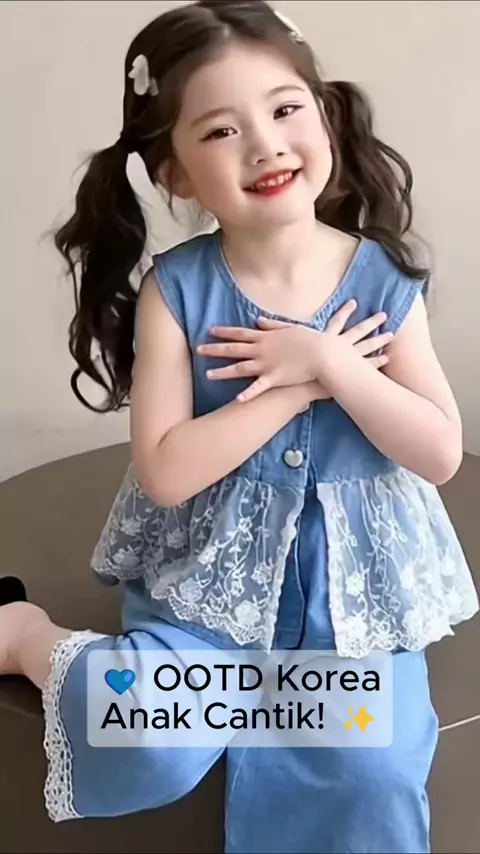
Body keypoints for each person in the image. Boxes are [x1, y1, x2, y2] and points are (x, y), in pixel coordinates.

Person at [1, 1, 477, 851]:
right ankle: (28, 637)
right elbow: (166, 471)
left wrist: (332, 363)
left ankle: (270, 705)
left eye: (285, 109)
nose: (264, 145)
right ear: (175, 173)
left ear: (323, 115)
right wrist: (289, 390)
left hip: (350, 612)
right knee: (150, 735)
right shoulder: (177, 290)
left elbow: (439, 451)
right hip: (208, 597)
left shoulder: (382, 280)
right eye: (221, 130)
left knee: (371, 771)